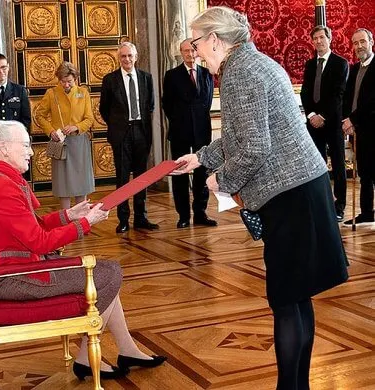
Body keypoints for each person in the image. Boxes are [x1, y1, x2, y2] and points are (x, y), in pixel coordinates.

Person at [176, 7, 348, 389]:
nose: (195, 50)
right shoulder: (254, 63)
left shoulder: (240, 72)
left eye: (197, 42)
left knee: (287, 300)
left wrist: (222, 180)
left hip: (291, 196)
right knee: (297, 298)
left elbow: (253, 148)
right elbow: (241, 135)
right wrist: (200, 158)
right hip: (305, 188)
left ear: (216, 40)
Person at [0, 120, 166, 381]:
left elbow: (31, 225)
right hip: (12, 278)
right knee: (109, 274)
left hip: (12, 268)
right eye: (26, 145)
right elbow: (40, 241)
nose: (31, 152)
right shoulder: (3, 187)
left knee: (106, 272)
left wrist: (70, 215)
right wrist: (86, 223)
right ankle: (86, 357)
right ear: (4, 149)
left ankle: (127, 349)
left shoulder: (0, 179)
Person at [99, 42, 158, 233]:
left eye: (130, 56)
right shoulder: (110, 80)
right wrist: (118, 125)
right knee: (123, 177)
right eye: (123, 56)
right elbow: (104, 109)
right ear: (119, 58)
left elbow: (150, 105)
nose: (127, 59)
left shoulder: (146, 78)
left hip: (141, 132)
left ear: (136, 56)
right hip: (121, 134)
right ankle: (123, 219)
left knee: (142, 177)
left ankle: (141, 217)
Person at [162, 39, 216, 228]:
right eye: (186, 51)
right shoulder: (172, 75)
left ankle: (200, 213)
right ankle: (183, 215)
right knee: (180, 175)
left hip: (202, 131)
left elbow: (207, 101)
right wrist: (182, 120)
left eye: (193, 50)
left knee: (202, 173)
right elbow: (166, 105)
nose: (190, 54)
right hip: (180, 132)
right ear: (181, 53)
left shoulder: (206, 73)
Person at [300, 25, 349, 222]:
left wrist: (323, 116)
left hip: (333, 122)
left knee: (338, 164)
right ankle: (321, 202)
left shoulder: (340, 63)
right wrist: (312, 115)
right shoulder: (310, 65)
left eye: (321, 37)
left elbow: (338, 95)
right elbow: (305, 92)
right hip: (313, 124)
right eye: (315, 38)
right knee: (316, 165)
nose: (318, 41)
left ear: (329, 39)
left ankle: (339, 205)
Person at [34, 61, 94, 209]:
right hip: (61, 143)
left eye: (69, 81)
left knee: (81, 183)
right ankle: (66, 221)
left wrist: (77, 127)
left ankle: (82, 221)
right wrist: (51, 131)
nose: (66, 85)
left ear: (75, 79)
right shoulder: (51, 93)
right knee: (63, 185)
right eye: (63, 81)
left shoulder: (83, 93)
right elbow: (39, 116)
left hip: (79, 142)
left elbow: (90, 119)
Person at [342, 28, 375, 225]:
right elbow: (348, 98)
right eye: (355, 43)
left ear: (371, 41)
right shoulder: (354, 68)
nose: (359, 46)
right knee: (363, 172)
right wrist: (346, 120)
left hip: (373, 128)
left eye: (362, 41)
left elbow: (372, 101)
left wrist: (352, 119)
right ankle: (366, 213)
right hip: (358, 128)